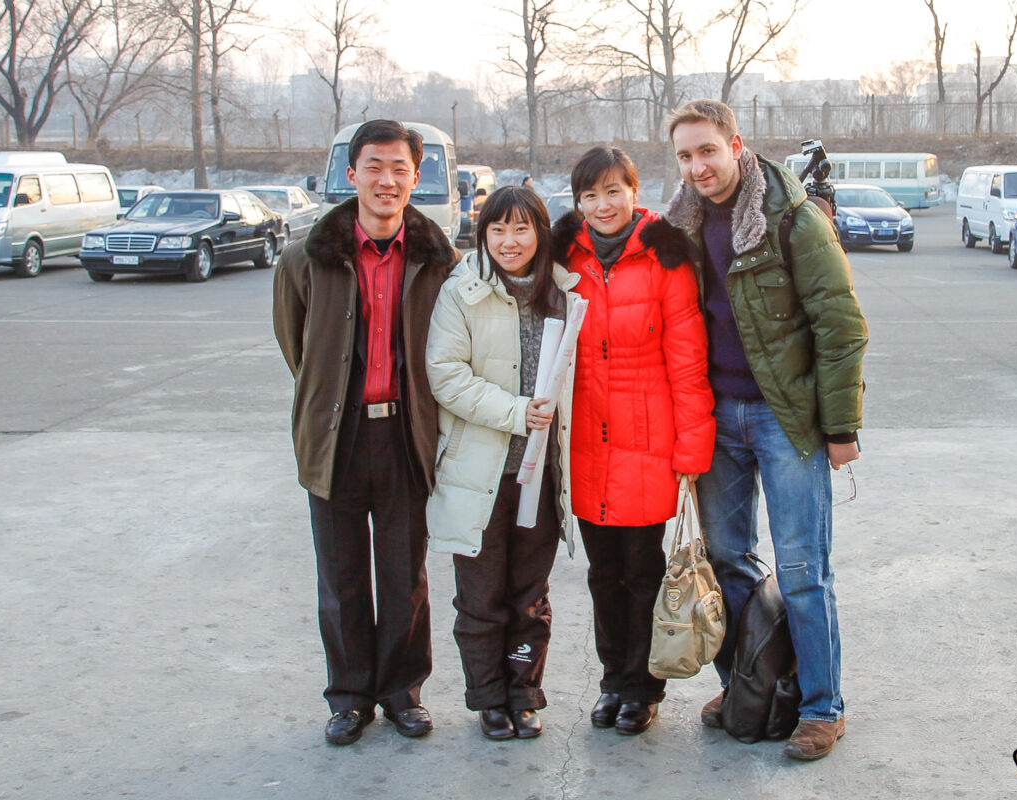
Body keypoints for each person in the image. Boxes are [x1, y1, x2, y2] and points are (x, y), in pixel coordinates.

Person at [664, 99, 867, 761]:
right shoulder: (682, 227)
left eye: (707, 151)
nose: (697, 166)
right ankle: (748, 685)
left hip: (787, 420)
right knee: (727, 563)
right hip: (715, 418)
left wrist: (840, 427)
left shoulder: (792, 218)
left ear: (736, 145)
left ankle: (820, 706)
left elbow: (840, 327)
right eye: (686, 156)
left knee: (805, 569)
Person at [273, 120, 459, 746]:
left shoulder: (439, 260)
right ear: (351, 176)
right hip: (337, 437)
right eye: (373, 167)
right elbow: (296, 346)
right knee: (343, 574)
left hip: (407, 434)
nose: (387, 180)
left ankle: (402, 692)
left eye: (399, 168)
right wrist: (332, 401)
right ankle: (349, 695)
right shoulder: (305, 258)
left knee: (406, 574)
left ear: (416, 175)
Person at [552, 145, 715, 736]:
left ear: (634, 192)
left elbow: (687, 362)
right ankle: (611, 680)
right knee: (602, 574)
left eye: (614, 191)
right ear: (578, 202)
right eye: (590, 195)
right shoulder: (563, 258)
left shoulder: (666, 258)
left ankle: (643, 688)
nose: (603, 205)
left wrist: (692, 450)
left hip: (648, 441)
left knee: (643, 573)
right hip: (586, 443)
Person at [425, 186, 580, 741]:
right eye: (498, 230)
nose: (510, 241)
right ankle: (489, 698)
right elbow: (445, 374)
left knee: (529, 594)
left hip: (543, 475)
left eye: (521, 229)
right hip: (480, 471)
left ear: (540, 232)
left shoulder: (567, 293)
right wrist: (516, 413)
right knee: (481, 593)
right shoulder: (461, 293)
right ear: (482, 234)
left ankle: (524, 691)